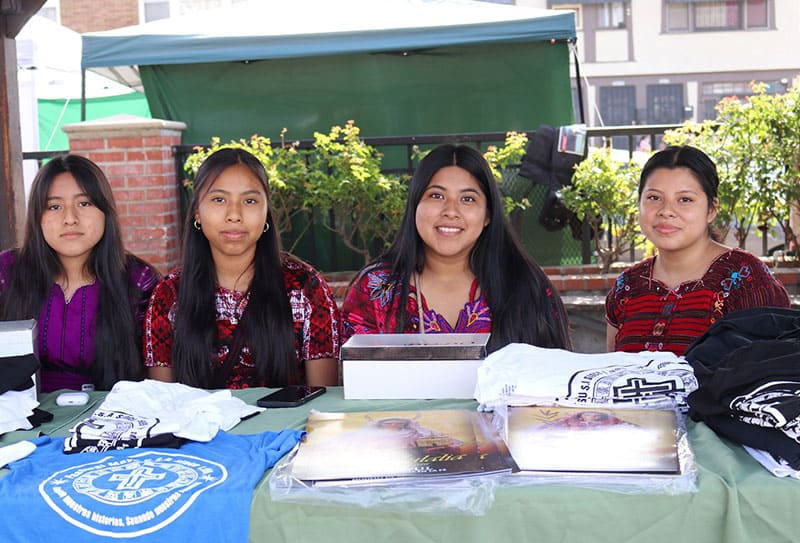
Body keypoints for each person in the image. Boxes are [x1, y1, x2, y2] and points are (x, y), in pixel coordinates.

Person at [341, 143, 571, 353]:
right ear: (415, 206)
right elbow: (352, 385)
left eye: (468, 199)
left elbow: (555, 381)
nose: (451, 211)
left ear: (488, 214)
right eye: (436, 195)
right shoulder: (375, 288)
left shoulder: (526, 285)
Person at [144, 147, 340, 389]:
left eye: (249, 201)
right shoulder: (169, 295)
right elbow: (161, 400)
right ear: (197, 212)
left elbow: (323, 399)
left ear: (266, 211)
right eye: (219, 199)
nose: (234, 214)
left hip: (285, 427)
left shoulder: (306, 289)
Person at [606, 145, 790, 355]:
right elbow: (612, 374)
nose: (666, 211)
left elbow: (771, 370)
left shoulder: (747, 279)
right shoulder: (627, 286)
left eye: (685, 200)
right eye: (654, 198)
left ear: (711, 209)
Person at [0, 154, 160, 393]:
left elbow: (157, 378)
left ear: (105, 211)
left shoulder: (138, 281)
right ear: (37, 217)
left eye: (84, 203)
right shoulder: (7, 272)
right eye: (54, 207)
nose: (70, 219)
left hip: (111, 417)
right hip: (21, 420)